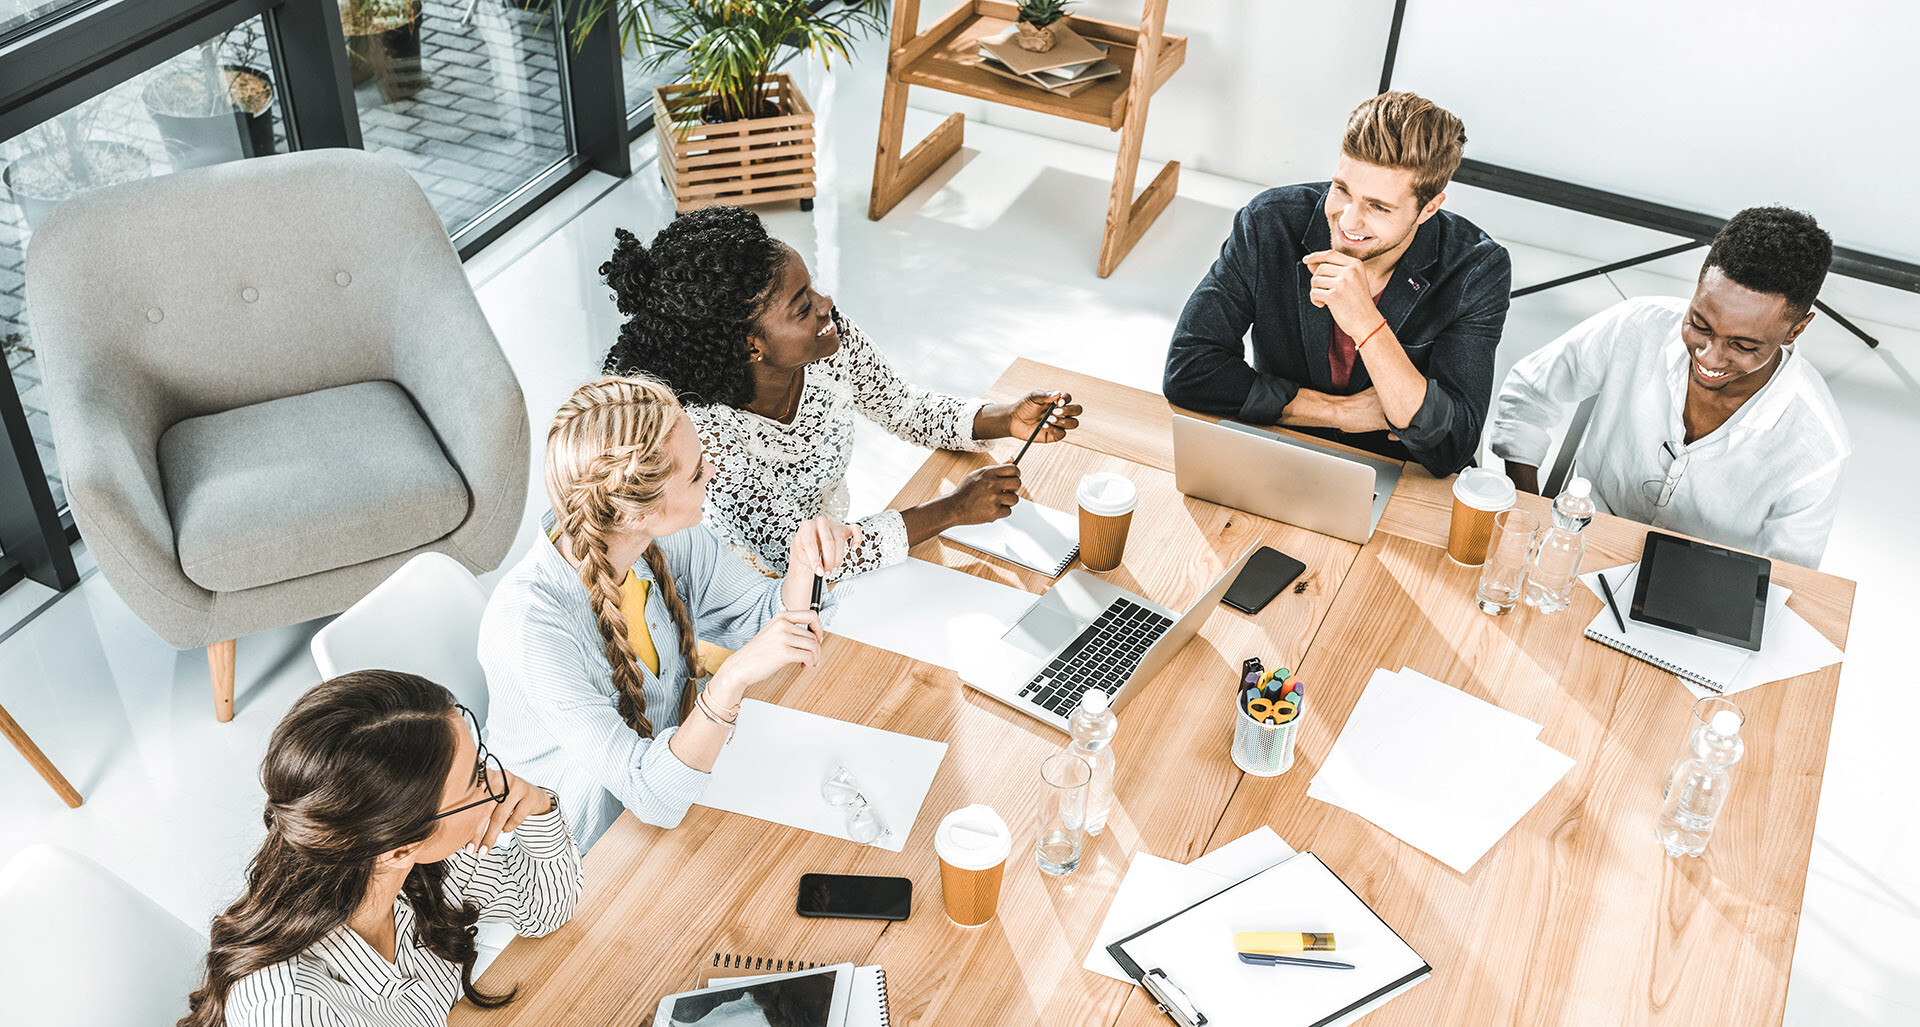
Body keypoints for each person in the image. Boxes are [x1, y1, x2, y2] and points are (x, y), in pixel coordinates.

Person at [176, 670, 708, 1027]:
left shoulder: (417, 866)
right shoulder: (286, 1005)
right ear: (401, 843)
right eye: (476, 781)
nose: (495, 782)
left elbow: (547, 908)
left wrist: (540, 807)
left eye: (481, 757)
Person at [599, 206, 1082, 577]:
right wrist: (952, 509)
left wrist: (1005, 419)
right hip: (754, 596)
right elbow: (798, 553)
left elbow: (902, 405)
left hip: (844, 556)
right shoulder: (706, 433)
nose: (826, 304)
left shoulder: (828, 342)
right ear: (751, 346)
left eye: (814, 290)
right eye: (801, 306)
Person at [479, 375, 854, 851]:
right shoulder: (528, 625)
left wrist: (803, 564)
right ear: (639, 512)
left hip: (678, 793)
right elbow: (649, 795)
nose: (712, 473)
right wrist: (727, 682)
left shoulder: (661, 536)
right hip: (583, 853)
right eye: (696, 473)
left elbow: (764, 621)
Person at [1163, 91, 1512, 477]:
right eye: (1343, 190)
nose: (1347, 221)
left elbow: (1452, 445)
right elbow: (1189, 371)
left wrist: (1367, 323)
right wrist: (1338, 413)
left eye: (1378, 207)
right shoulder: (1270, 223)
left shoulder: (1476, 268)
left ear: (1428, 208)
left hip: (1398, 473)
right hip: (1282, 450)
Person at [1489, 207, 1849, 569]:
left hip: (1698, 586)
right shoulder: (1638, 324)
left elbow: (1788, 578)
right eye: (1700, 324)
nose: (1708, 356)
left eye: (1742, 346)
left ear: (1795, 331)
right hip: (1583, 542)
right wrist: (1526, 513)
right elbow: (1530, 392)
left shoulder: (1817, 449)